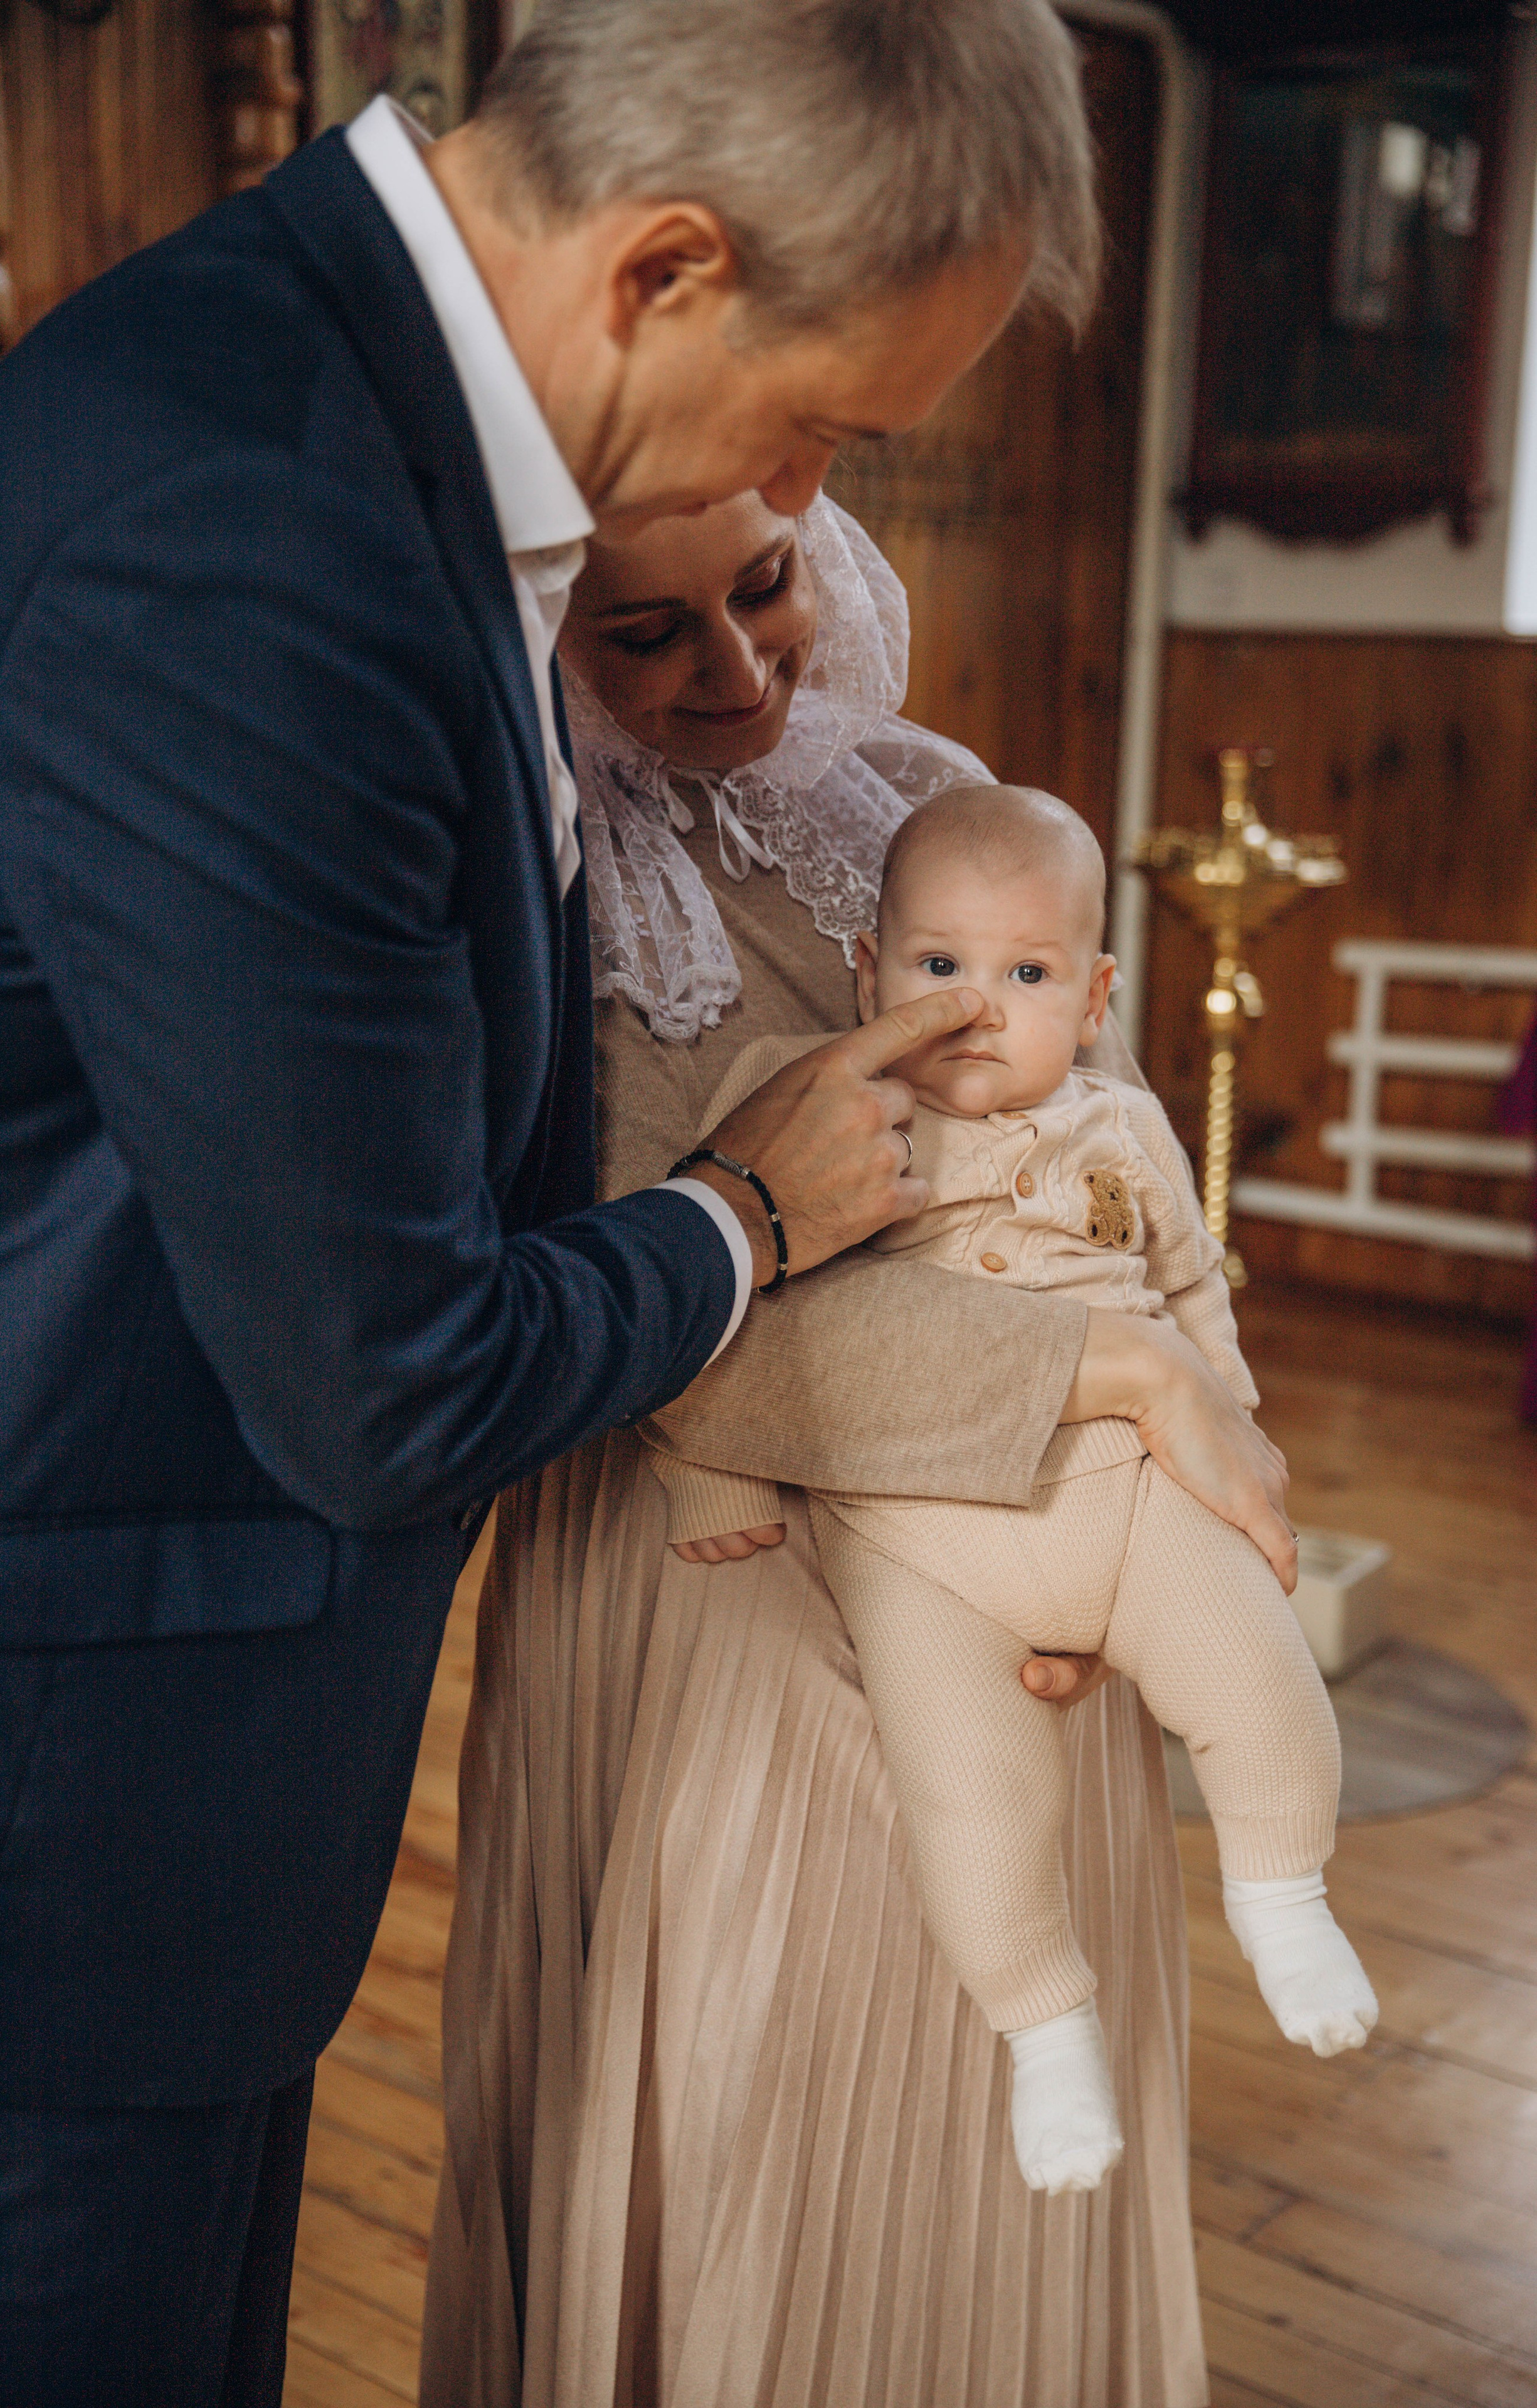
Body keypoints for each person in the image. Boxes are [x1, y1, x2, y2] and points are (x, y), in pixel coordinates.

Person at [0, 3, 1163, 2395]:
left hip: (152, 1805)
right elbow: (391, 1382)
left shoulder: (319, 414)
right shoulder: (250, 530)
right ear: (667, 269)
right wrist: (749, 1209)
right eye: (819, 422)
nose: (802, 490)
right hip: (35, 1830)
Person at [422, 491, 1292, 2405]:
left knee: (1004, 2130)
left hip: (1043, 1511)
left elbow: (1121, 1175)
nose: (734, 670)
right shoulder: (526, 873)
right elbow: (634, 1329)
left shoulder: (926, 790)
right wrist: (1105, 1385)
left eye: (764, 589)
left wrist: (1163, 1517)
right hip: (711, 1558)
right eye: (645, 636)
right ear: (546, 622)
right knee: (759, 2123)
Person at [650, 781, 1378, 2202]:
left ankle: (1280, 1894)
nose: (977, 1008)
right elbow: (724, 1304)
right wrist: (709, 1474)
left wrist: (1227, 1429)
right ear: (867, 971)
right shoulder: (803, 1098)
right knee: (967, 1802)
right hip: (916, 1548)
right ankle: (1045, 2027)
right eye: (937, 967)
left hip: (1136, 1492)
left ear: (1094, 995)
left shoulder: (1122, 1126)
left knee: (1261, 1688)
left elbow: (1185, 1288)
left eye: (1026, 975)